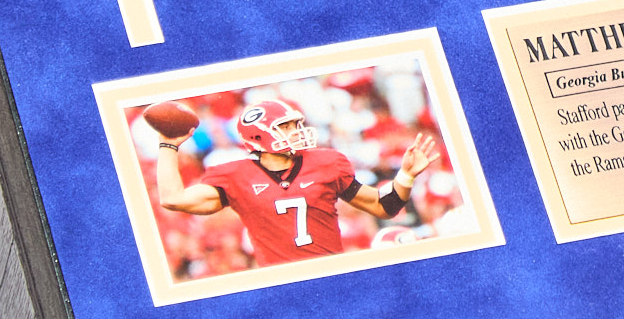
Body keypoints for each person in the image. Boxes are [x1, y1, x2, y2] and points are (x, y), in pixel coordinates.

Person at [155, 97, 439, 264]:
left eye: (295, 124)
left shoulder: (327, 162)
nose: (296, 130)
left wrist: (406, 175)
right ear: (258, 136)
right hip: (281, 281)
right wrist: (168, 145)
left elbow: (384, 207)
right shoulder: (233, 175)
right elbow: (173, 199)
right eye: (286, 126)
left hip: (332, 270)